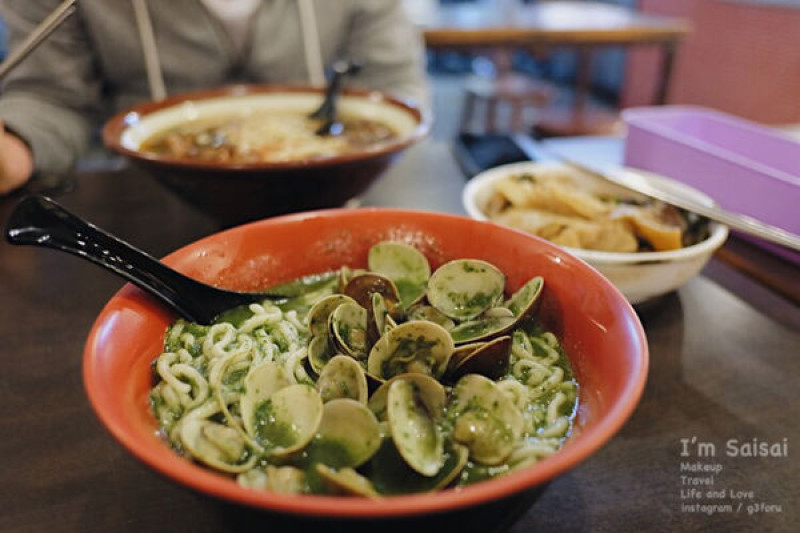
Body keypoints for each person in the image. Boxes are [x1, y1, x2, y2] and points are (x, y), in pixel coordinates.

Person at [0, 0, 429, 194]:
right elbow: (52, 96)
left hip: (335, 202)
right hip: (155, 213)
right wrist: (14, 145)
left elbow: (394, 89)